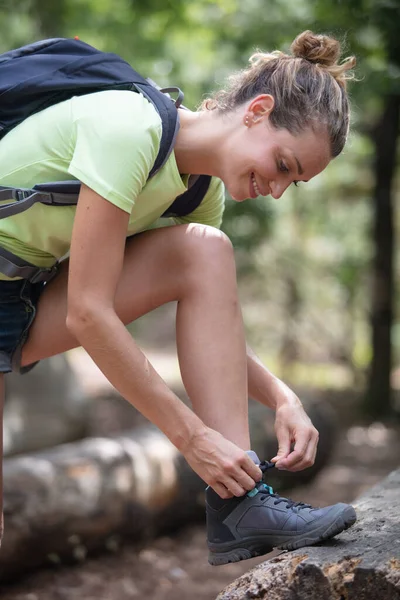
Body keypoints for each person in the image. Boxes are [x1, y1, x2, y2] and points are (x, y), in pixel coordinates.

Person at [0, 30, 357, 565]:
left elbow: (216, 329)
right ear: (258, 111)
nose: (278, 190)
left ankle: (241, 505)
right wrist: (191, 439)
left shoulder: (198, 188)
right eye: (284, 165)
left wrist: (283, 397)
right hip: (31, 297)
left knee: (206, 253)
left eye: (294, 183)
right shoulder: (128, 128)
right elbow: (88, 313)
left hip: (17, 301)